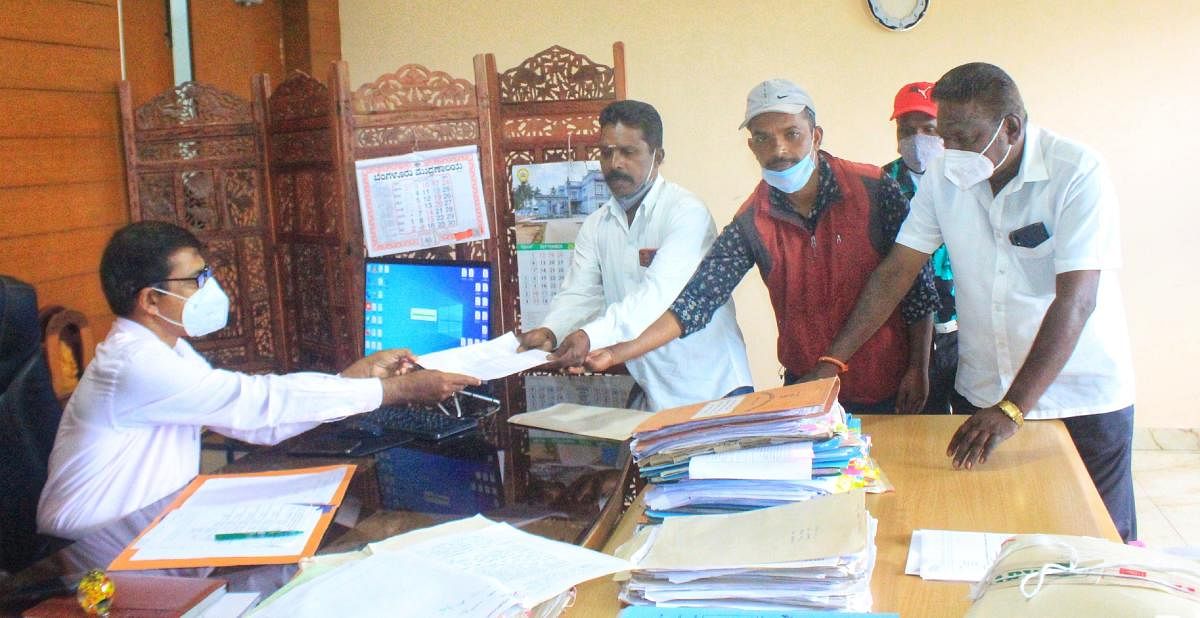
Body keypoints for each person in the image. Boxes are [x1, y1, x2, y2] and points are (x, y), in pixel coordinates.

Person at [813, 63, 1137, 541]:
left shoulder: (1076, 171)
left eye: (966, 136)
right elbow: (897, 271)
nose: (952, 150)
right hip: (984, 389)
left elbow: (1077, 302)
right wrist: (834, 358)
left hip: (1080, 396)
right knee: (990, 529)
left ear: (1011, 126)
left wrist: (1013, 409)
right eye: (946, 137)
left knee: (1096, 541)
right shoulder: (944, 175)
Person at [38, 221, 479, 540]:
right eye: (197, 279)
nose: (210, 287)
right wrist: (391, 391)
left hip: (150, 523)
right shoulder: (134, 365)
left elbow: (254, 422)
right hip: (89, 547)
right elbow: (256, 403)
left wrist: (351, 379)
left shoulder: (166, 348)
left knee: (337, 516)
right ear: (151, 299)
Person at [585, 79, 938, 414]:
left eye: (792, 134)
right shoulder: (751, 221)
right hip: (808, 388)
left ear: (815, 136)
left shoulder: (874, 189)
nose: (779, 150)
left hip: (888, 384)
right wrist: (619, 352)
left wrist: (918, 367)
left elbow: (915, 285)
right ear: (751, 146)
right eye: (763, 139)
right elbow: (697, 300)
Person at [515, 100, 752, 410]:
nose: (615, 163)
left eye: (629, 152)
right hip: (654, 392)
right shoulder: (596, 225)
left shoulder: (685, 213)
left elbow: (658, 297)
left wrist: (589, 335)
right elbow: (580, 294)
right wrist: (552, 331)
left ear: (658, 156)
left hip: (713, 388)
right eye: (606, 152)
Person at [882, 81, 957, 413]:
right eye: (907, 129)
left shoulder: (969, 182)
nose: (918, 139)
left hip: (964, 330)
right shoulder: (880, 185)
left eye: (929, 129)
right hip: (906, 334)